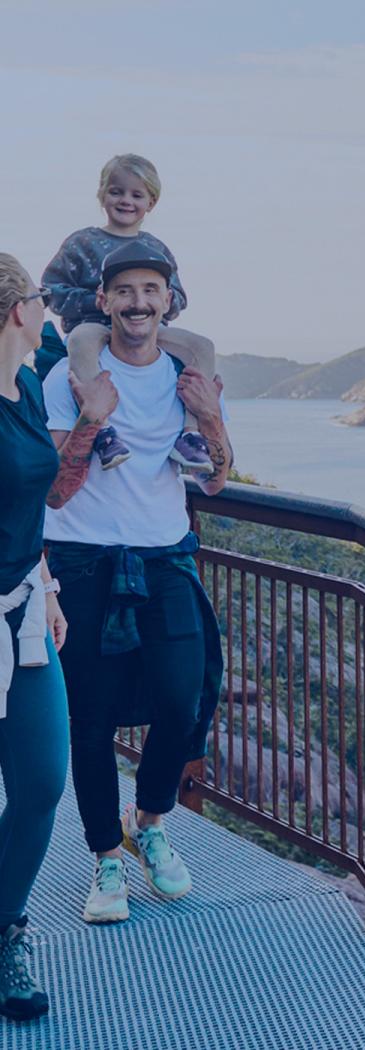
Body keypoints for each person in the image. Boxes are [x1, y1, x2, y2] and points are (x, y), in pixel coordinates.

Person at [43, 240, 228, 924]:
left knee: (182, 700)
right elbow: (55, 493)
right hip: (82, 561)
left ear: (168, 301)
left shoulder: (187, 373)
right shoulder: (67, 375)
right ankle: (105, 858)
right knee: (89, 721)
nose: (138, 302)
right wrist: (92, 417)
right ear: (104, 301)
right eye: (125, 291)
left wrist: (210, 415)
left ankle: (147, 821)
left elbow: (217, 478)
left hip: (165, 558)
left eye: (151, 290)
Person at [42, 154, 215, 473]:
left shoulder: (157, 249)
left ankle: (190, 434)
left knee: (202, 347)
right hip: (94, 327)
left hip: (147, 330)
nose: (126, 200)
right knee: (80, 339)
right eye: (117, 191)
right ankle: (104, 431)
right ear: (102, 194)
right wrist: (97, 302)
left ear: (151, 202)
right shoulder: (82, 243)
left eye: (137, 194)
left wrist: (151, 304)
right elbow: (52, 290)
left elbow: (178, 298)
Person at [0, 254, 69, 1021]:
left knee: (43, 781)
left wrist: (44, 585)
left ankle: (3, 927)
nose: (46, 309)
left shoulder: (24, 385)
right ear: (19, 309)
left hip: (22, 613)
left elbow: (25, 505)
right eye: (40, 299)